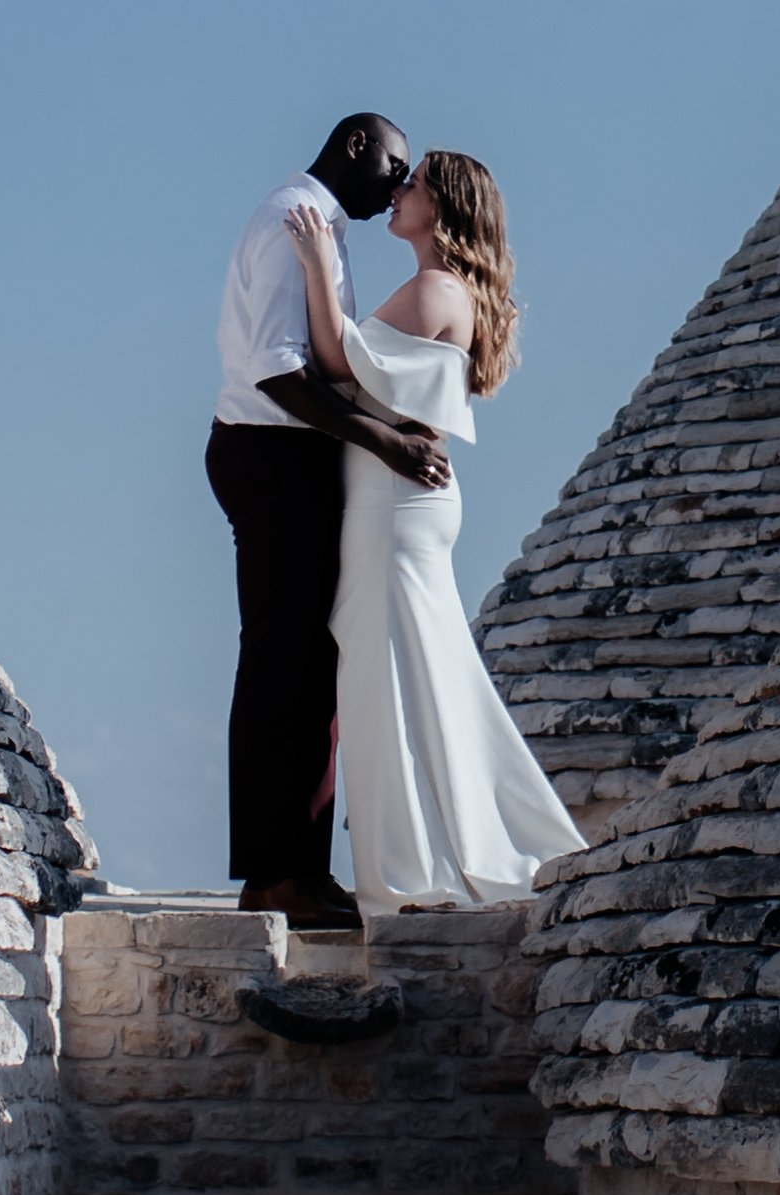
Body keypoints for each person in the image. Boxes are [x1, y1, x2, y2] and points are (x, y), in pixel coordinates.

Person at [284, 150, 586, 914]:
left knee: (386, 678)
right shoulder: (444, 288)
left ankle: (414, 869)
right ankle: (432, 853)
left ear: (441, 207)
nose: (397, 191)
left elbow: (338, 363)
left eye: (410, 184)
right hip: (400, 503)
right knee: (414, 673)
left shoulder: (435, 288)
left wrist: (318, 264)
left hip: (393, 506)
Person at [208, 115, 451, 929]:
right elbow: (278, 370)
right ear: (357, 147)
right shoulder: (294, 222)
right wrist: (384, 441)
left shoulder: (322, 230)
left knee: (310, 669)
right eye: (395, 164)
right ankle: (279, 873)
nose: (398, 181)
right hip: (273, 457)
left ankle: (294, 869)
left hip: (290, 460)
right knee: (286, 667)